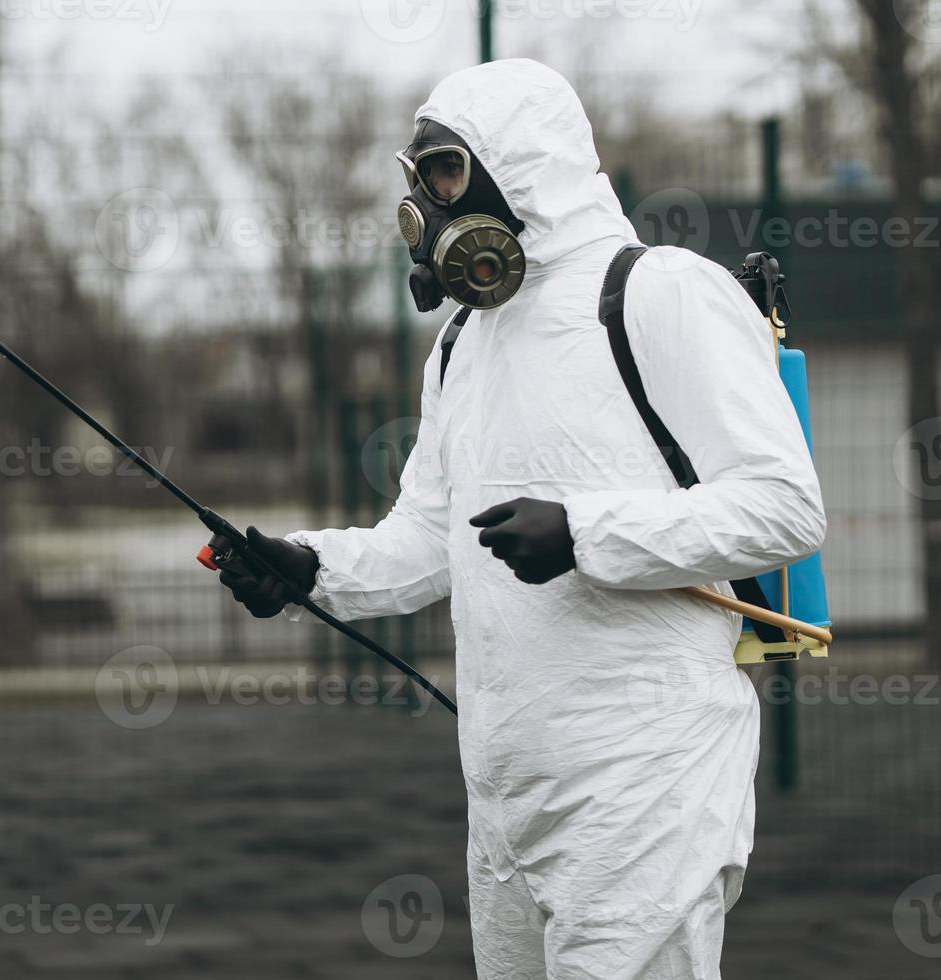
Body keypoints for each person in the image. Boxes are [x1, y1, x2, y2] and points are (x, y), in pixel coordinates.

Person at [218, 59, 826, 980]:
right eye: (417, 176)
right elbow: (430, 538)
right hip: (504, 789)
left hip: (646, 772)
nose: (424, 200)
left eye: (447, 170)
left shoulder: (659, 292)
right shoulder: (464, 341)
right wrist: (308, 568)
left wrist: (584, 535)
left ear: (523, 164)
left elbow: (785, 508)